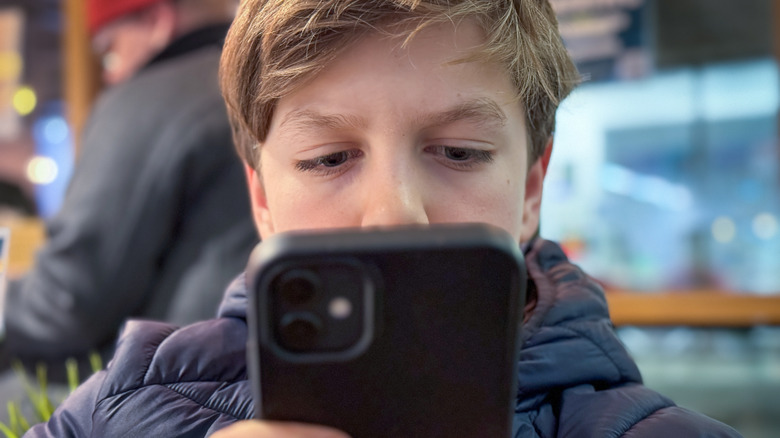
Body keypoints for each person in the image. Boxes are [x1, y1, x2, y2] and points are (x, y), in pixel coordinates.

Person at [25, 0, 742, 436]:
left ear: (531, 189)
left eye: (459, 152)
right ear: (262, 198)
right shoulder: (115, 413)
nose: (392, 213)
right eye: (330, 158)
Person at [0, 0, 257, 374]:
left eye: (108, 54)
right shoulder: (262, 87)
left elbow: (69, 300)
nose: (108, 77)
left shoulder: (149, 99)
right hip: (256, 371)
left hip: (178, 386)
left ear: (155, 22)